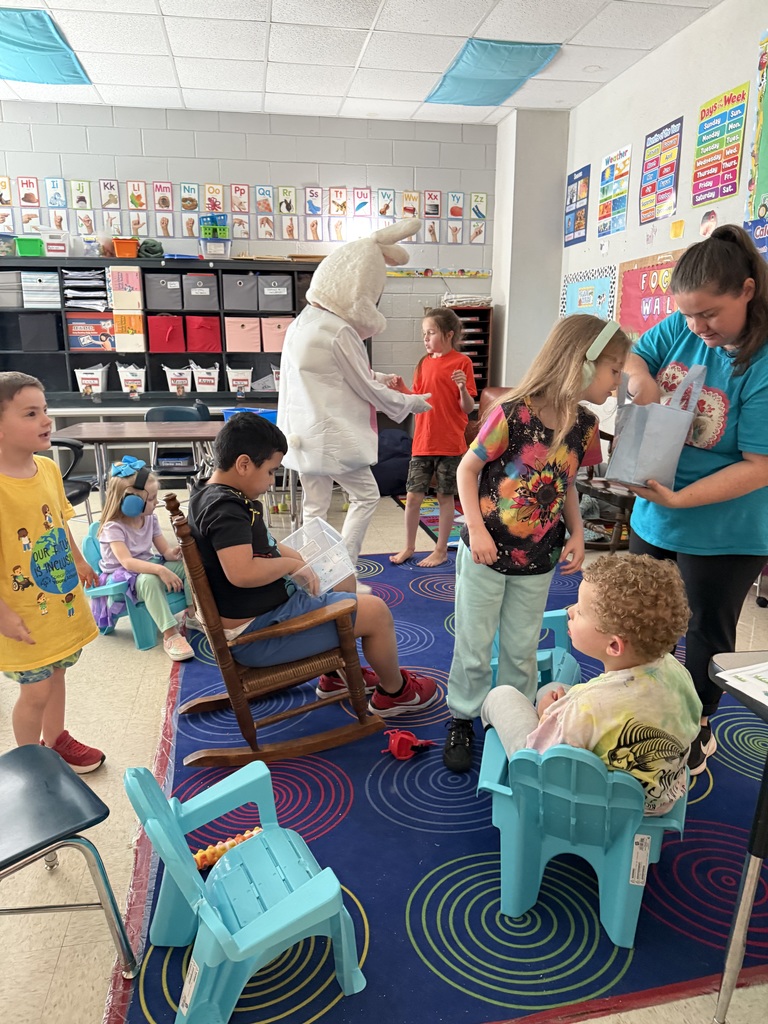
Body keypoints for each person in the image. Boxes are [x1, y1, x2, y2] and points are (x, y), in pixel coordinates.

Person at [443, 314, 632, 773]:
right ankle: (463, 716)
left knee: (522, 645)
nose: (615, 384)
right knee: (474, 639)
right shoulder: (512, 415)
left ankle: (514, 720)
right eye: (612, 371)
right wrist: (480, 532)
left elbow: (565, 482)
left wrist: (578, 532)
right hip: (487, 551)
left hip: (539, 557)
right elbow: (466, 471)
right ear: (582, 363)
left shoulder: (584, 426)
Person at [624, 223, 768, 775]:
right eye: (686, 314)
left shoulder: (760, 361)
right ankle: (637, 704)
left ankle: (696, 727)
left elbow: (759, 466)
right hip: (656, 506)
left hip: (725, 527)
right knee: (638, 616)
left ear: (747, 292)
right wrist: (644, 382)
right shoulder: (683, 327)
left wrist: (681, 500)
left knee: (705, 631)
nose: (696, 327)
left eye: (708, 313)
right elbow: (637, 353)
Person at [187, 412, 438, 716]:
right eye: (270, 472)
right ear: (243, 464)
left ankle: (335, 676)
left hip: (264, 612)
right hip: (258, 636)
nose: (270, 482)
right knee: (377, 613)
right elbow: (242, 572)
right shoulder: (226, 510)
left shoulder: (214, 495)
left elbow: (261, 545)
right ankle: (395, 693)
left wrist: (300, 560)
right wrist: (291, 567)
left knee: (341, 576)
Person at [277, 219, 432, 590]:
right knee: (364, 496)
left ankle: (311, 575)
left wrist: (379, 378)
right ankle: (343, 574)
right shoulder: (338, 329)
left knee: (314, 508)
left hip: (300, 434)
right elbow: (362, 385)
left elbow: (332, 373)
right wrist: (410, 402)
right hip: (331, 436)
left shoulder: (304, 323)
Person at [481, 554, 701, 815]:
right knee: (550, 691)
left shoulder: (586, 706)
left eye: (581, 611)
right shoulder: (677, 671)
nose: (570, 611)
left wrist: (543, 715)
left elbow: (546, 758)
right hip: (660, 801)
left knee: (502, 695)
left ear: (614, 645)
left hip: (592, 806)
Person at [0, 371, 104, 772]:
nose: (46, 421)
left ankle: (56, 739)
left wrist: (77, 559)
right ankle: (30, 764)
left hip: (58, 599)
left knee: (58, 671)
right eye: (30, 413)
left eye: (44, 410)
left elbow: (59, 521)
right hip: (22, 614)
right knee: (36, 689)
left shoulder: (45, 469)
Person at [389, 307, 477, 567]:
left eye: (431, 333)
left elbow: (468, 408)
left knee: (444, 497)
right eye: (423, 334)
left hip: (450, 444)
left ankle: (440, 550)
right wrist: (401, 388)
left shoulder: (462, 363)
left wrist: (461, 387)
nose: (425, 339)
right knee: (413, 497)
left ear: (449, 334)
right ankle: (409, 546)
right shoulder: (423, 363)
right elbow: (417, 400)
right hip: (422, 443)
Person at [97, 457, 200, 662]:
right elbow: (127, 562)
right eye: (151, 499)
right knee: (151, 580)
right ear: (131, 502)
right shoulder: (113, 527)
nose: (156, 502)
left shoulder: (150, 518)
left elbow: (164, 551)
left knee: (191, 566)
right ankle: (170, 635)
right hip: (121, 577)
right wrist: (161, 570)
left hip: (148, 565)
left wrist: (178, 553)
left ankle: (192, 614)